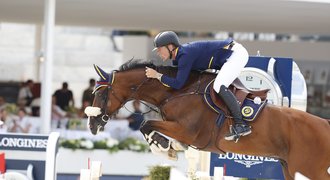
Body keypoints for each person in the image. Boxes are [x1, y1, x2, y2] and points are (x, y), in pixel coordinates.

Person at [145, 31, 251, 141]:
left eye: (160, 49)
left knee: (219, 85)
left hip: (235, 54)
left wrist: (157, 75)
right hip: (228, 56)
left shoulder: (185, 55)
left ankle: (241, 124)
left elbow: (178, 84)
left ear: (170, 47)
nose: (158, 52)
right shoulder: (181, 56)